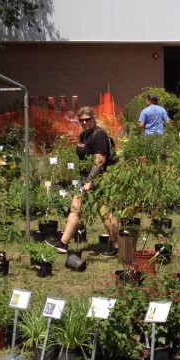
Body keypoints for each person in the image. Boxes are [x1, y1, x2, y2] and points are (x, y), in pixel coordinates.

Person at [46, 106, 119, 257]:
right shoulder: (83, 136)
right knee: (76, 208)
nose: (85, 122)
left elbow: (100, 160)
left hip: (98, 180)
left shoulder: (99, 135)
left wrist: (90, 181)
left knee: (104, 212)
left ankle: (117, 245)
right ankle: (63, 243)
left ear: (93, 119)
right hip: (85, 179)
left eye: (88, 119)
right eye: (82, 120)